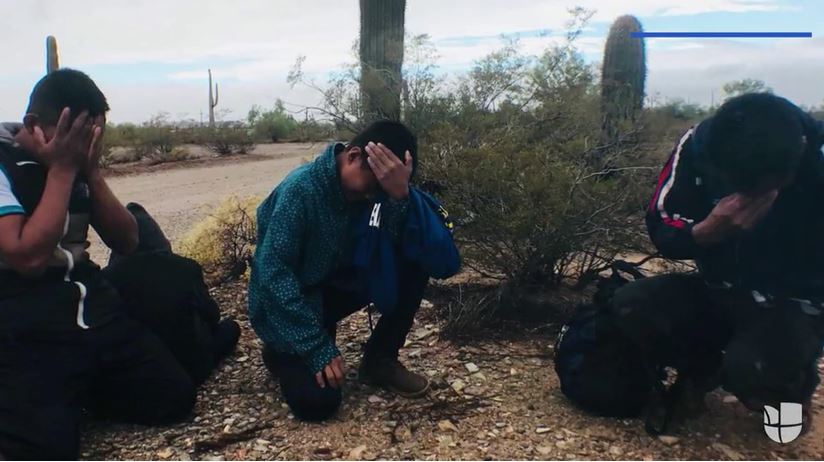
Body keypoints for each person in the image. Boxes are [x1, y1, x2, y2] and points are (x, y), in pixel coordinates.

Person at [0, 69, 195, 459]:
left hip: (90, 309)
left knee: (173, 396)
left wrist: (89, 170)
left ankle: (77, 392)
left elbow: (127, 239)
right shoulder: (7, 164)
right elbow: (27, 256)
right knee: (42, 449)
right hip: (25, 319)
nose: (84, 145)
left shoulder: (78, 163)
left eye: (94, 136)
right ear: (33, 126)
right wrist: (63, 170)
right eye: (74, 134)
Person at [611, 93, 824, 427]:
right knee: (631, 305)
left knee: (755, 371)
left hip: (794, 301)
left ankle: (791, 386)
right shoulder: (698, 144)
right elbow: (662, 223)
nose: (747, 195)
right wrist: (705, 231)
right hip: (719, 287)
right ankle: (699, 369)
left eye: (761, 188)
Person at [248, 120, 459, 421]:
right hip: (289, 303)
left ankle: (380, 361)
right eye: (374, 185)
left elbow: (397, 244)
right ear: (353, 156)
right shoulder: (301, 191)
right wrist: (315, 346)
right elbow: (273, 275)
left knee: (414, 261)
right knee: (317, 403)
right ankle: (282, 350)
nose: (373, 196)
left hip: (331, 288)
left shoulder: (373, 189)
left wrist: (399, 196)